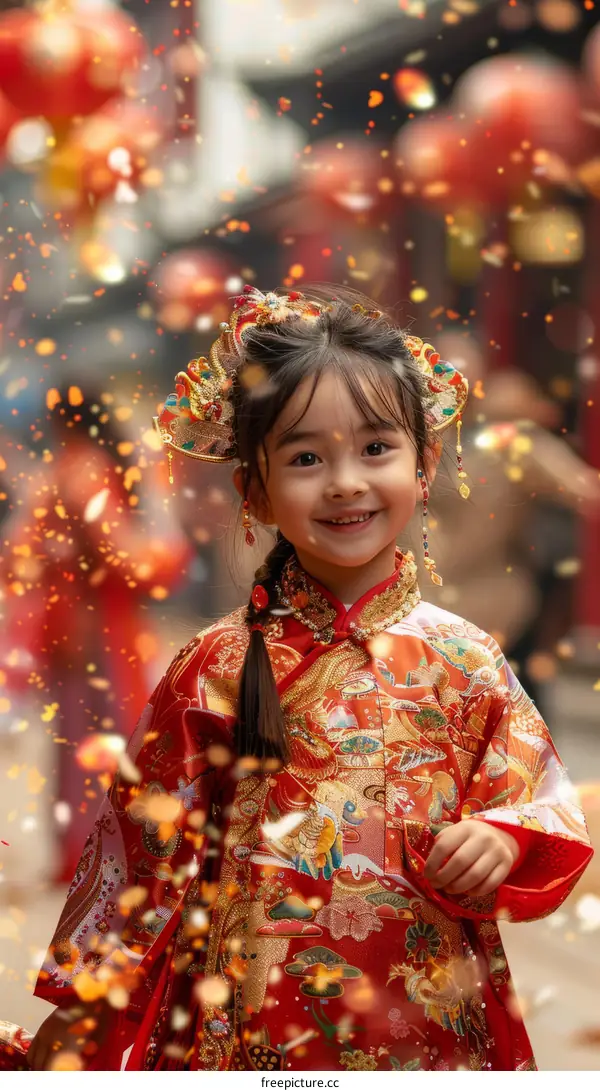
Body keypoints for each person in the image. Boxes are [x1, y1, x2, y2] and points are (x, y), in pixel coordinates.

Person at [16, 286, 592, 1072]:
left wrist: (501, 835)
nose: (345, 481)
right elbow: (135, 861)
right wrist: (81, 1021)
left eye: (377, 448)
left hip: (428, 1023)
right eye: (306, 457)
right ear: (254, 489)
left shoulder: (467, 660)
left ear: (425, 466)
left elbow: (541, 796)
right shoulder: (212, 666)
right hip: (246, 1025)